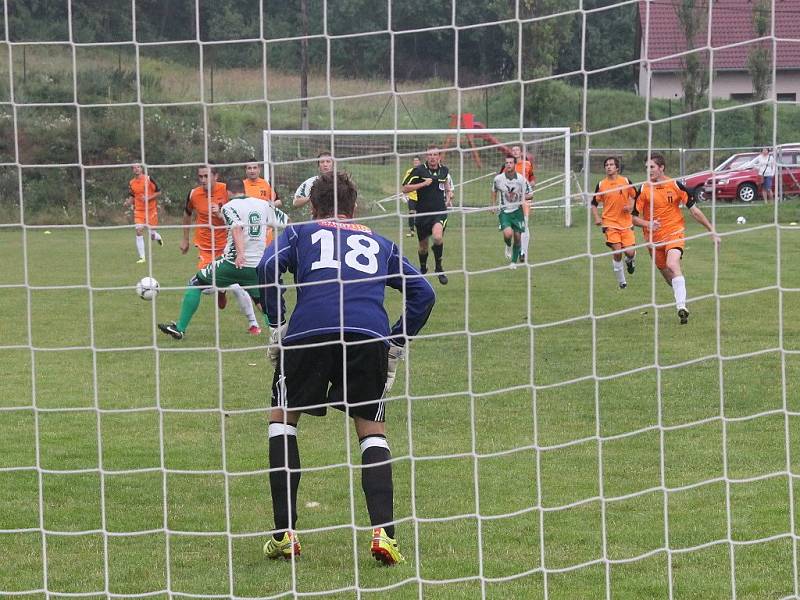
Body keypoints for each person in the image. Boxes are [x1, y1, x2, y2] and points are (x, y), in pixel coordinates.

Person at [258, 171, 435, 565]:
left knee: (283, 421)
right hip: (367, 335)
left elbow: (268, 266)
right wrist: (396, 342)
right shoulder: (381, 243)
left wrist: (276, 325)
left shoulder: (299, 233)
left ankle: (284, 533)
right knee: (371, 431)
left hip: (309, 333)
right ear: (354, 206)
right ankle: (384, 535)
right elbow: (424, 292)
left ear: (314, 205)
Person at [159, 178, 288, 339]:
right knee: (260, 301)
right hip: (257, 265)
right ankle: (280, 333)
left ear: (228, 192)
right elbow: (287, 222)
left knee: (195, 283)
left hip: (233, 263)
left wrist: (240, 253)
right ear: (245, 190)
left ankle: (180, 328)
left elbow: (236, 227)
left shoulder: (229, 206)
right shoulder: (262, 205)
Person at [632, 153, 720, 324]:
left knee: (673, 264)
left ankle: (681, 307)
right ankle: (681, 297)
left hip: (674, 232)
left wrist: (712, 231)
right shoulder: (643, 190)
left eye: (652, 167)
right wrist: (647, 224)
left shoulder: (675, 185)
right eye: (646, 168)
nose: (648, 171)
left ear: (661, 167)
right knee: (668, 275)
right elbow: (633, 218)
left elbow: (694, 211)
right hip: (652, 239)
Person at [180, 165, 230, 309]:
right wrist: (185, 239)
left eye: (206, 176)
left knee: (238, 285)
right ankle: (221, 289)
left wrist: (220, 213)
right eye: (200, 176)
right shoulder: (194, 194)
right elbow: (187, 213)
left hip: (226, 245)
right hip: (205, 246)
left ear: (216, 176)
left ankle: (254, 323)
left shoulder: (227, 191)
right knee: (205, 285)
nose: (203, 180)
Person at [401, 145, 452, 285]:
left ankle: (439, 268)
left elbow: (446, 185)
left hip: (439, 212)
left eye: (435, 155)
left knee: (437, 237)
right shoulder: (419, 170)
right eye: (430, 155)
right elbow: (404, 188)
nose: (432, 157)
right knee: (423, 247)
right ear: (426, 156)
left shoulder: (444, 170)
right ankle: (423, 267)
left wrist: (449, 195)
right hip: (423, 214)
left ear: (439, 156)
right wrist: (423, 184)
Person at [591, 156, 637, 289]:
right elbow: (594, 204)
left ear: (617, 168)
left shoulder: (626, 181)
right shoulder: (601, 185)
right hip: (609, 223)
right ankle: (622, 282)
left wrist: (631, 207)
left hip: (626, 223)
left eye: (611, 164)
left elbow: (635, 196)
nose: (609, 167)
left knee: (629, 252)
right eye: (606, 165)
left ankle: (630, 261)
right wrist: (596, 217)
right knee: (617, 252)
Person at [491, 155, 533, 268]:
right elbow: (494, 190)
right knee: (508, 234)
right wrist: (493, 205)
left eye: (510, 163)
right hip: (504, 211)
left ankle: (513, 263)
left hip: (517, 211)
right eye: (506, 163)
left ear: (514, 164)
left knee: (518, 237)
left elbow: (530, 194)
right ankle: (508, 245)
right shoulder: (498, 179)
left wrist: (521, 196)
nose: (508, 164)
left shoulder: (521, 179)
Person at [124, 163, 163, 264]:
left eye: (138, 167)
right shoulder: (131, 182)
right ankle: (142, 258)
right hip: (139, 211)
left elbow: (159, 192)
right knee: (138, 231)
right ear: (132, 170)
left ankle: (158, 237)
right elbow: (133, 196)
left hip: (151, 210)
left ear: (141, 168)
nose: (136, 169)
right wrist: (128, 202)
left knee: (152, 235)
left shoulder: (149, 179)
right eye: (134, 168)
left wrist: (148, 198)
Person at [243, 159, 282, 246]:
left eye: (254, 168)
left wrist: (269, 205)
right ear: (246, 170)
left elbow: (278, 202)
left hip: (265, 230)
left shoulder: (266, 184)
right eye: (249, 168)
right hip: (248, 230)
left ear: (259, 169)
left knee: (266, 256)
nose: (252, 170)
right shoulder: (242, 185)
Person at [403, 156, 421, 237]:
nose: (416, 162)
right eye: (414, 161)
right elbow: (404, 183)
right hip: (412, 196)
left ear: (420, 162)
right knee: (411, 213)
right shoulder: (409, 172)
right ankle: (412, 231)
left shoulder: (423, 171)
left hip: (422, 197)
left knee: (422, 214)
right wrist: (404, 194)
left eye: (417, 161)